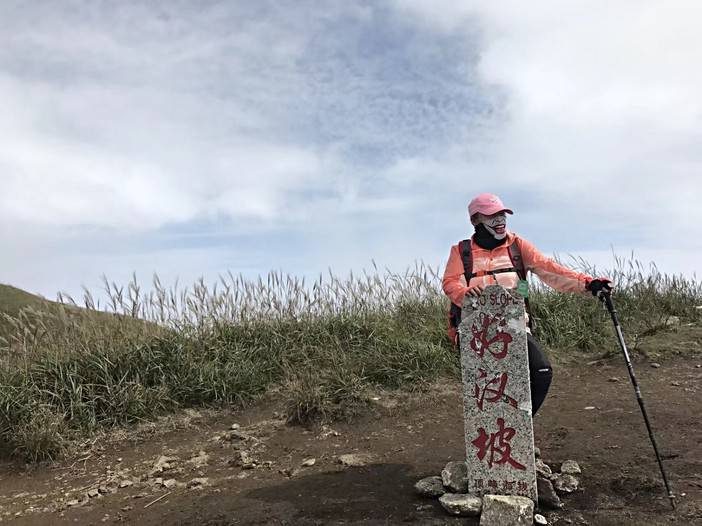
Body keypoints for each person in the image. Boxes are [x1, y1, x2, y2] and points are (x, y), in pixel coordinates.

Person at [442, 193, 612, 415]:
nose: (500, 220)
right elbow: (450, 282)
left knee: (541, 372)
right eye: (491, 215)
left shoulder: (517, 246)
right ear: (475, 220)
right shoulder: (461, 251)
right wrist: (465, 293)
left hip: (515, 326)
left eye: (502, 214)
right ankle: (498, 431)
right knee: (490, 387)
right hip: (477, 331)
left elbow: (549, 269)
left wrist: (588, 283)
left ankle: (518, 426)